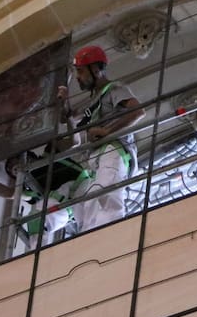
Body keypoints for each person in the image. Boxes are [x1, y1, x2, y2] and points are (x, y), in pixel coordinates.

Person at [60, 45, 145, 230]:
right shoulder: (92, 103)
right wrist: (64, 100)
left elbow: (138, 111)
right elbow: (68, 119)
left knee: (106, 194)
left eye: (81, 71)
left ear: (96, 69)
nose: (78, 77)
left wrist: (108, 132)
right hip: (96, 158)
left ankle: (110, 236)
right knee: (89, 202)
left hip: (112, 150)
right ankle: (90, 239)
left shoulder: (114, 89)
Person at [0, 150, 90, 246]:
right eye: (12, 170)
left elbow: (69, 140)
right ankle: (38, 249)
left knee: (39, 211)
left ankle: (37, 246)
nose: (14, 167)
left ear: (30, 156)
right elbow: (10, 194)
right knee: (36, 218)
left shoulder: (49, 154)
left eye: (15, 162)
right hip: (68, 210)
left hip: (81, 185)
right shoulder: (32, 190)